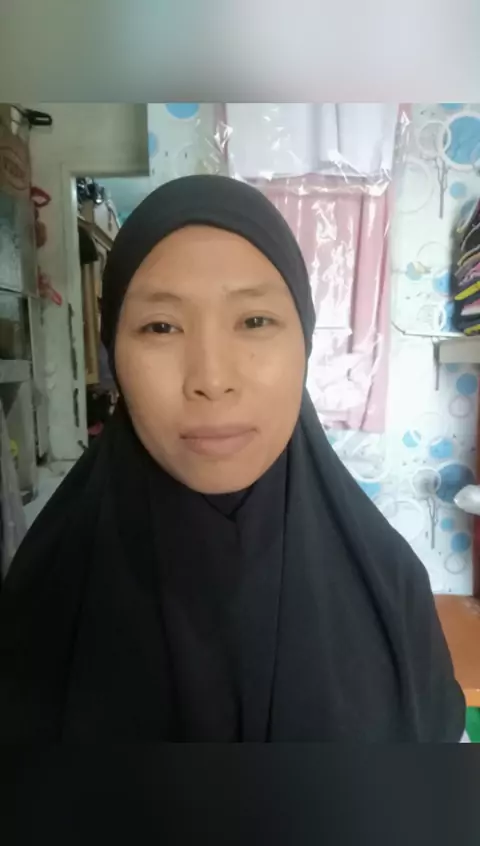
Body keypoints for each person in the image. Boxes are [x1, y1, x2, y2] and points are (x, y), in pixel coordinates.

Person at [0, 175, 465, 742]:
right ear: (114, 350)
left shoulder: (390, 589)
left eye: (254, 321)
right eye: (161, 326)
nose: (212, 379)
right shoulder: (47, 599)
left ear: (304, 341)